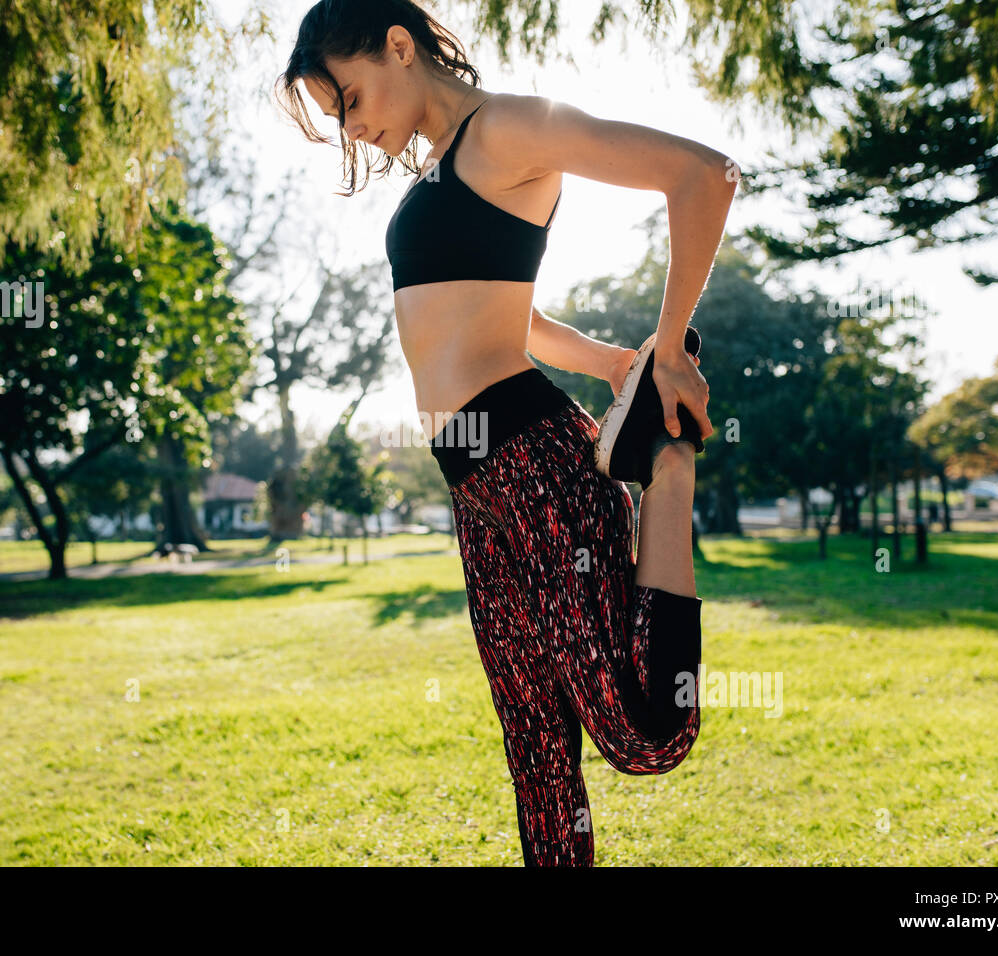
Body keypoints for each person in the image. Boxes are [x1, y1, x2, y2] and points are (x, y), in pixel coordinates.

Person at [276, 0, 737, 867]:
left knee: (643, 733)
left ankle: (668, 463)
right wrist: (614, 362)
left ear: (399, 47)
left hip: (534, 461)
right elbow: (502, 315)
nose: (353, 130)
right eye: (339, 117)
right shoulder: (445, 167)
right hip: (473, 485)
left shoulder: (508, 128)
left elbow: (704, 175)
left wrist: (669, 348)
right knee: (535, 748)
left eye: (351, 101)